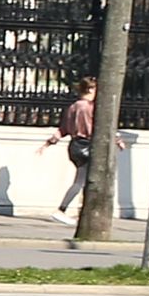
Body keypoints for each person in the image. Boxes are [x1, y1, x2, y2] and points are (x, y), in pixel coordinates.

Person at [44, 75, 99, 212]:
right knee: (82, 181)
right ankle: (62, 209)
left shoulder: (73, 107)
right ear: (90, 89)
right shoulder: (88, 107)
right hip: (87, 145)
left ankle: (81, 210)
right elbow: (94, 128)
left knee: (83, 180)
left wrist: (51, 141)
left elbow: (64, 128)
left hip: (75, 145)